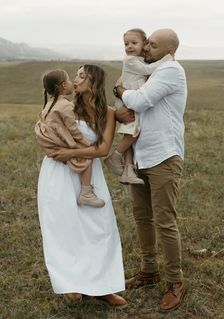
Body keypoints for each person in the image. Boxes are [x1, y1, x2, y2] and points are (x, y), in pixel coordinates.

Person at [36, 64, 126, 307]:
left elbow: (104, 149)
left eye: (82, 76)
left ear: (94, 82)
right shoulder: (65, 107)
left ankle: (103, 287)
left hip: (90, 175)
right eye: (75, 75)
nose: (76, 80)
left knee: (99, 228)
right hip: (59, 174)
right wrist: (61, 152)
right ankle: (70, 283)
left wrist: (68, 151)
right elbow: (47, 136)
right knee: (65, 228)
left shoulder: (106, 113)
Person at [114, 28, 187, 311]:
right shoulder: (150, 70)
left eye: (152, 45)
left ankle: (175, 283)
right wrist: (120, 91)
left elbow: (140, 101)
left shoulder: (170, 71)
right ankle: (148, 271)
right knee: (143, 217)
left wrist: (120, 90)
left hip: (164, 156)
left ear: (169, 51)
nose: (145, 48)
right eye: (147, 43)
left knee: (165, 221)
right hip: (142, 156)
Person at [104, 28, 172, 185]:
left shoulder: (139, 59)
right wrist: (167, 59)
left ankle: (128, 170)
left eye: (134, 43)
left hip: (130, 97)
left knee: (132, 135)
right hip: (129, 100)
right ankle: (115, 156)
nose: (129, 46)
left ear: (144, 44)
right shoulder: (130, 60)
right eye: (126, 43)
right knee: (133, 133)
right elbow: (148, 70)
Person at [35, 69, 105, 208]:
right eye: (70, 79)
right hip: (62, 140)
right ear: (63, 86)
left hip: (54, 141)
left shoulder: (50, 103)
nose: (73, 81)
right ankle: (86, 193)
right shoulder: (66, 105)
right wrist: (85, 143)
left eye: (81, 76)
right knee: (87, 154)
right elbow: (72, 128)